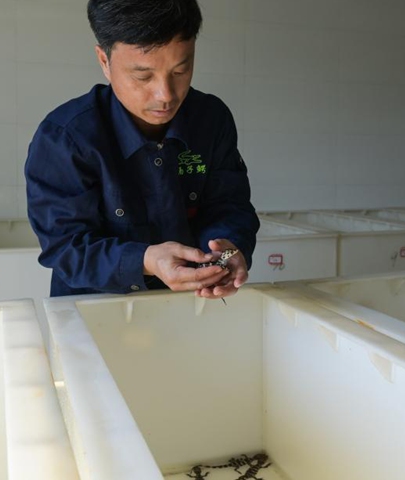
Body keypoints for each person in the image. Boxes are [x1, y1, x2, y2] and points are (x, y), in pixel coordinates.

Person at [25, 0, 259, 300]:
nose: (165, 95)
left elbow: (230, 206)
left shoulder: (211, 120)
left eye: (180, 71)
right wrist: (145, 260)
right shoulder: (66, 138)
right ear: (104, 61)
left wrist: (229, 251)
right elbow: (66, 248)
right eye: (143, 76)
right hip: (94, 311)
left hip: (190, 308)